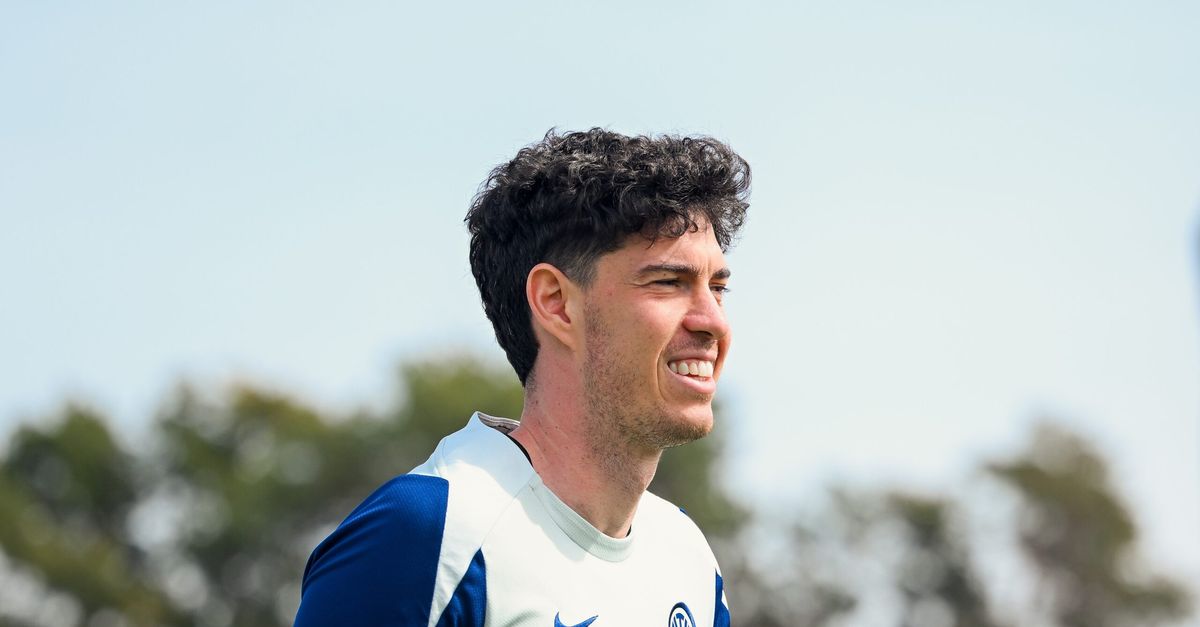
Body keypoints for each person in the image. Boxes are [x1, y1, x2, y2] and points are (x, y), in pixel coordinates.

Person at [294, 128, 750, 627]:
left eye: (718, 287)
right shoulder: (428, 534)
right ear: (555, 303)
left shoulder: (688, 559)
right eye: (668, 282)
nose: (713, 321)